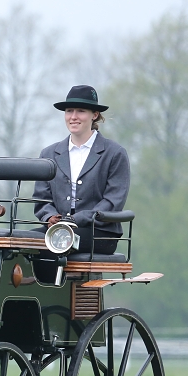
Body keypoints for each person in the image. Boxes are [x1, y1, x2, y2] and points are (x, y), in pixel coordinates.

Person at [33, 85, 130, 255]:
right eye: (69, 111)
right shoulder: (49, 154)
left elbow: (113, 201)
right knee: (22, 242)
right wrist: (50, 217)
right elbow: (42, 199)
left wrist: (78, 219)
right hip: (57, 229)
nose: (73, 117)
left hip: (100, 233)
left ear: (95, 115)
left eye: (81, 111)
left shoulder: (114, 153)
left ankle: (54, 282)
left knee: (58, 242)